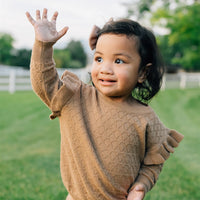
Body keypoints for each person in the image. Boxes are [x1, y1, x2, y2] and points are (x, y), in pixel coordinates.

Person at [26, 8, 184, 200]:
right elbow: (44, 84)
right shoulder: (76, 98)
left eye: (119, 60)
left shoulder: (147, 118)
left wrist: (141, 185)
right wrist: (43, 46)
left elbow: (152, 164)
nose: (105, 69)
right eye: (99, 58)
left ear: (142, 72)